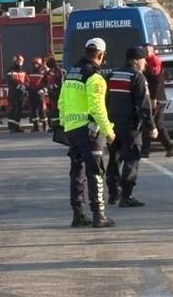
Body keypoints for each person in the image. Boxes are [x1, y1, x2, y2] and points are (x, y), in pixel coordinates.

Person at [59, 38, 116, 228]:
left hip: (72, 130)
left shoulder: (71, 74)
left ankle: (78, 214)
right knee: (96, 172)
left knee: (77, 171)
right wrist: (108, 131)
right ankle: (99, 215)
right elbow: (97, 107)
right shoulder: (95, 77)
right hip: (90, 131)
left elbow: (62, 102)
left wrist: (64, 125)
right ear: (101, 55)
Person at [106, 47, 157, 208]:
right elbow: (143, 104)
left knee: (114, 159)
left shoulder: (112, 75)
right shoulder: (137, 77)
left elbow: (104, 100)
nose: (145, 64)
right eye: (143, 61)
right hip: (130, 126)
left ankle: (113, 193)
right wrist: (151, 126)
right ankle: (126, 195)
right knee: (131, 158)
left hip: (112, 124)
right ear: (136, 60)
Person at [141, 44, 173, 158]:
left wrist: (153, 98)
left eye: (148, 50)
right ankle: (169, 147)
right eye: (144, 50)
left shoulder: (154, 62)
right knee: (157, 124)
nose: (146, 52)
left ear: (153, 51)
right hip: (154, 97)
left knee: (149, 123)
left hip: (156, 98)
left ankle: (145, 150)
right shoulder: (146, 61)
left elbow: (156, 81)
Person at [6, 54, 28, 133]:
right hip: (13, 93)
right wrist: (19, 86)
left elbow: (27, 80)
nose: (20, 63)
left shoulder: (24, 71)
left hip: (21, 94)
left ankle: (17, 126)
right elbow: (10, 80)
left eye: (21, 61)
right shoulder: (10, 70)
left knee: (19, 110)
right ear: (15, 61)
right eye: (18, 61)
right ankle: (12, 127)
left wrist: (25, 86)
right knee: (13, 109)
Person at [27, 57, 48, 132]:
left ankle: (45, 126)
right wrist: (26, 90)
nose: (35, 65)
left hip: (40, 94)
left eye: (37, 64)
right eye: (34, 64)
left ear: (40, 64)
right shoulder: (29, 72)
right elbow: (27, 82)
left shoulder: (43, 73)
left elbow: (47, 83)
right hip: (31, 93)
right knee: (33, 111)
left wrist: (43, 90)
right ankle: (35, 127)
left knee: (42, 110)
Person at [43, 55, 63, 131]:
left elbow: (59, 81)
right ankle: (52, 125)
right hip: (50, 94)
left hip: (56, 93)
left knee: (55, 110)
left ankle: (56, 126)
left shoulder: (57, 70)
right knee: (50, 110)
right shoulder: (50, 71)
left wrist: (53, 87)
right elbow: (45, 80)